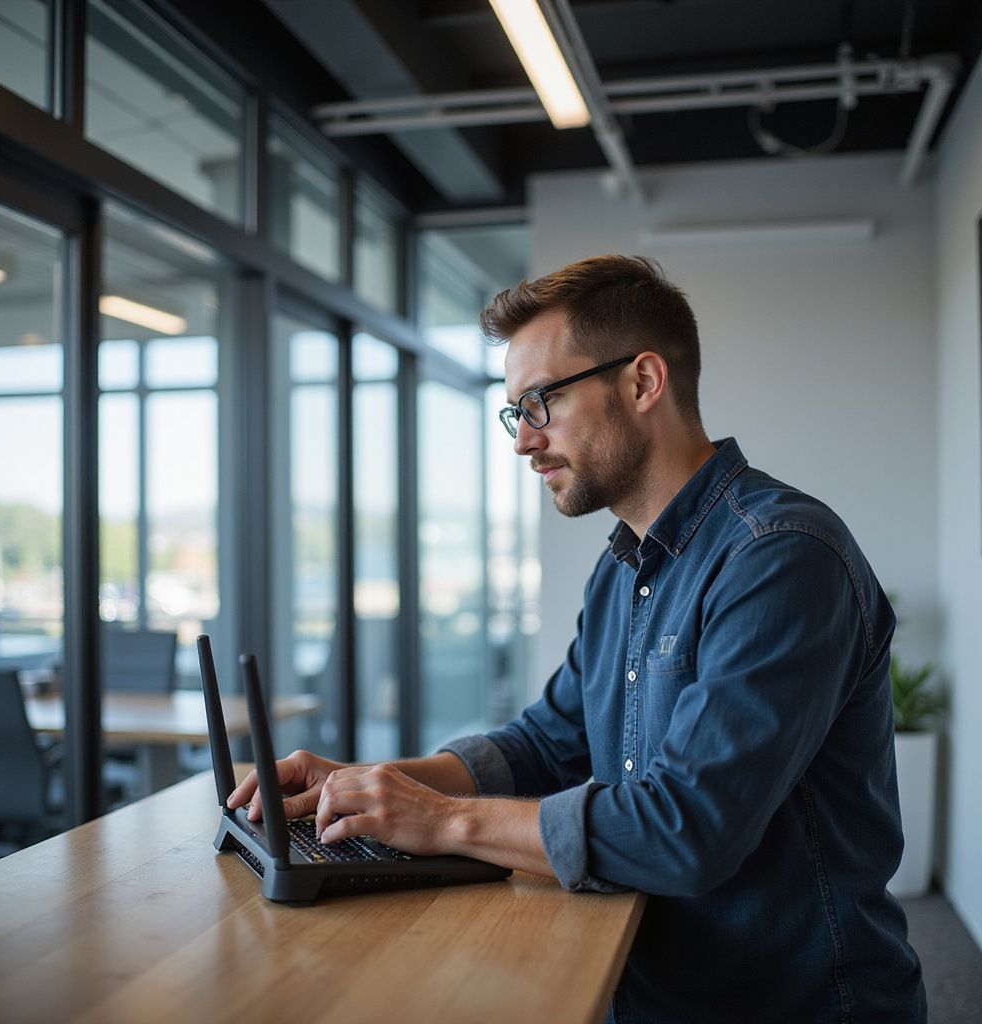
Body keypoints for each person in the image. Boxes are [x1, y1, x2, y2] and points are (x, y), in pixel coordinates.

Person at [229, 255, 925, 1023]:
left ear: (641, 382)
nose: (524, 443)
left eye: (540, 403)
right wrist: (363, 784)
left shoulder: (782, 556)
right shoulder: (621, 572)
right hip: (646, 989)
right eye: (514, 413)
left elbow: (685, 829)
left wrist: (440, 819)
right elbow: (541, 746)